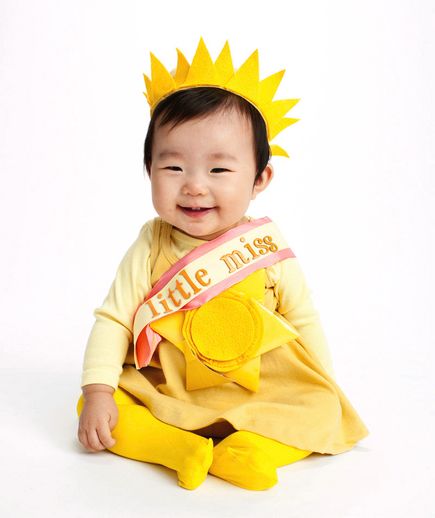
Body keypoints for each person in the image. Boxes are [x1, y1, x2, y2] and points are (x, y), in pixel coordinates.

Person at [76, 37, 369, 491]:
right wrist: (97, 390)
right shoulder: (150, 244)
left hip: (259, 392)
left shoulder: (265, 246)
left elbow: (303, 317)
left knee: (325, 411)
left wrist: (324, 384)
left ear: (259, 178)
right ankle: (178, 449)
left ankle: (252, 452)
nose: (194, 186)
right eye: (173, 168)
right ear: (149, 169)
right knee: (96, 405)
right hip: (169, 389)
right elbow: (115, 318)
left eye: (218, 170)